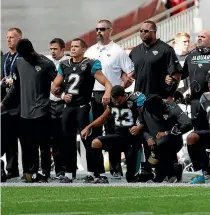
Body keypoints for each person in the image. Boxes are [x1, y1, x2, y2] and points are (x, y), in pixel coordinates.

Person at [51, 38, 112, 183]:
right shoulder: (64, 64)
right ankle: (69, 173)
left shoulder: (90, 63)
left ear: (83, 49)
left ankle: (94, 172)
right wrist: (61, 95)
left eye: (76, 46)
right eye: (71, 46)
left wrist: (107, 93)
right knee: (67, 141)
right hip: (68, 108)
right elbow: (54, 87)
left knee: (88, 140)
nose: (72, 49)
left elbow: (107, 83)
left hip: (83, 107)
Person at [130, 20, 183, 178]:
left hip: (158, 100)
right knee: (144, 134)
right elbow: (128, 72)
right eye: (140, 31)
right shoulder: (135, 51)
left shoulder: (165, 49)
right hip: (139, 100)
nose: (142, 34)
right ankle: (148, 168)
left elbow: (176, 73)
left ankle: (172, 167)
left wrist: (169, 92)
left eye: (146, 31)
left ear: (154, 32)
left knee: (161, 136)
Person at [85, 19, 136, 178]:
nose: (99, 32)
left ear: (110, 30)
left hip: (113, 97)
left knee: (113, 132)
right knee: (95, 132)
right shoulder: (90, 51)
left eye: (102, 29)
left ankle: (115, 168)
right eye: (97, 29)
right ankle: (97, 170)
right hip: (95, 94)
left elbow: (130, 72)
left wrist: (119, 88)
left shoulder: (118, 51)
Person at [1, 39, 56, 182]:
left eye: (26, 55)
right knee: (27, 145)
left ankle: (45, 173)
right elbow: (15, 87)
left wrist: (61, 92)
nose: (24, 58)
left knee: (43, 144)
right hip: (25, 112)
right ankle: (29, 173)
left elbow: (57, 83)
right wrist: (4, 103)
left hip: (42, 110)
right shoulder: (19, 63)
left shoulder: (46, 63)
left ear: (32, 51)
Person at [80, 86, 145, 183]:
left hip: (133, 140)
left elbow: (145, 117)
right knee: (95, 143)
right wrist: (88, 127)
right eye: (114, 100)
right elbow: (103, 118)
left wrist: (139, 127)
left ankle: (146, 174)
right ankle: (101, 176)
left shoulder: (134, 100)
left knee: (131, 179)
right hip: (119, 137)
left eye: (118, 100)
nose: (116, 102)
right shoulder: (112, 102)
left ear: (124, 96)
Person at [138, 94, 192, 182]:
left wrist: (168, 132)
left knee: (163, 142)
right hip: (153, 141)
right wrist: (148, 138)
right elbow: (141, 125)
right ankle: (171, 170)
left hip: (172, 140)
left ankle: (170, 172)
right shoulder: (145, 109)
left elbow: (188, 124)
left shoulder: (172, 107)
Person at [46, 38, 70, 179]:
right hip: (50, 104)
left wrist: (62, 94)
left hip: (64, 104)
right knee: (54, 138)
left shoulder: (68, 63)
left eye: (55, 49)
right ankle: (59, 170)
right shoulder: (48, 63)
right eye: (51, 49)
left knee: (65, 137)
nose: (53, 52)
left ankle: (68, 169)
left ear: (62, 49)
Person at [1, 27, 22, 180]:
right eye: (7, 37)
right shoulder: (5, 57)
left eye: (12, 37)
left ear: (19, 39)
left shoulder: (23, 58)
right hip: (5, 103)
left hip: (21, 102)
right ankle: (11, 168)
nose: (9, 40)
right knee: (8, 138)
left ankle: (27, 169)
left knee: (23, 137)